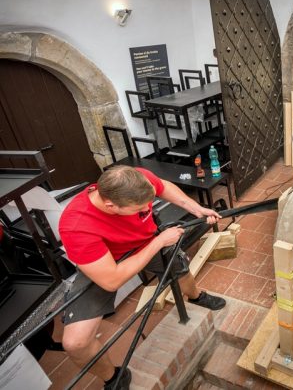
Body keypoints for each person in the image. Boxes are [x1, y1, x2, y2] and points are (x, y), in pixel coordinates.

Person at [58, 165, 226, 389]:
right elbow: (111, 279)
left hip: (144, 242)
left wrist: (196, 208)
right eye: (139, 209)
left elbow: (163, 186)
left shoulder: (133, 179)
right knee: (75, 343)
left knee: (180, 269)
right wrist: (159, 241)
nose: (147, 209)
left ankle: (195, 297)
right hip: (106, 264)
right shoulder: (76, 225)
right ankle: (114, 378)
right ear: (111, 206)